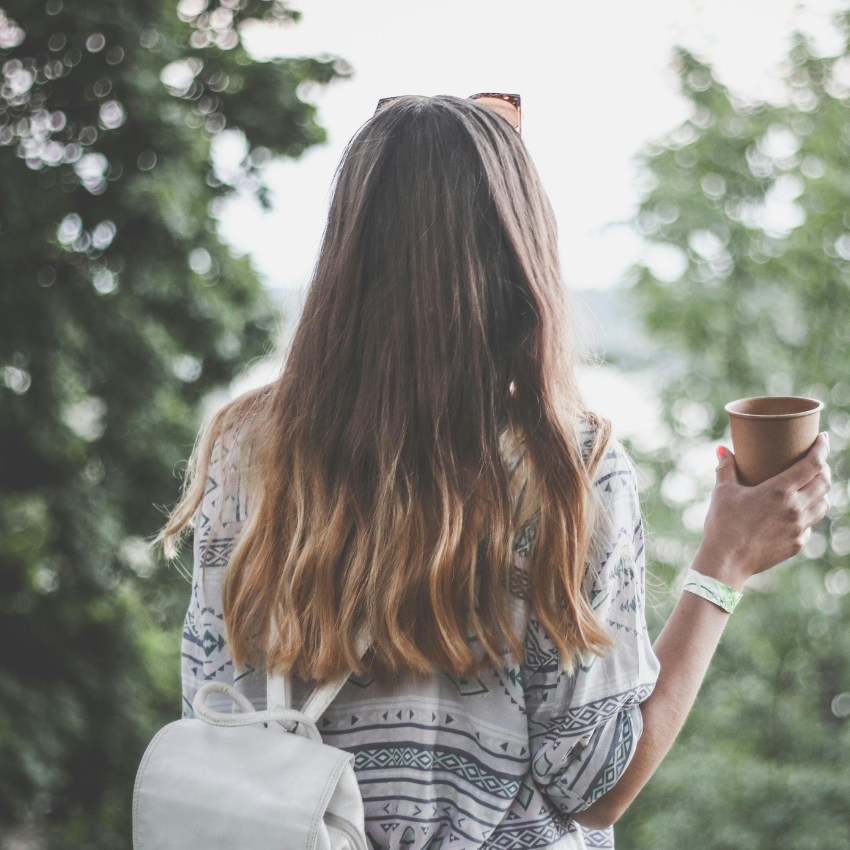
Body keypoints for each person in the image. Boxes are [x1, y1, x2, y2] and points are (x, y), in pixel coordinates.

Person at [161, 95, 831, 850]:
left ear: (347, 250)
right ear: (520, 257)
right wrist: (724, 564)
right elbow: (595, 788)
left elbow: (214, 706)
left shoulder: (248, 447)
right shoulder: (566, 467)